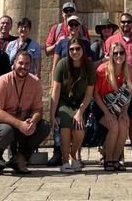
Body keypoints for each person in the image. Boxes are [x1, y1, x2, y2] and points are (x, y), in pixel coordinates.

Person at [0, 50, 50, 175]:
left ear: (30, 65)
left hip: (21, 124)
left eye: (27, 64)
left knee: (44, 127)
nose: (23, 67)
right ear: (14, 63)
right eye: (20, 63)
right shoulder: (3, 81)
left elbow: (38, 110)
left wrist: (33, 121)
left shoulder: (35, 82)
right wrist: (20, 124)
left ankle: (19, 158)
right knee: (6, 130)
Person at [105, 13, 132, 167]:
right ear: (119, 23)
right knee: (118, 122)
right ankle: (119, 156)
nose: (126, 25)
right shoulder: (111, 41)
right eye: (123, 22)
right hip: (115, 91)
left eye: (129, 22)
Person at [50, 36, 96, 173]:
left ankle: (73, 155)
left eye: (77, 49)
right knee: (65, 126)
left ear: (83, 50)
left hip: (81, 103)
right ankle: (65, 161)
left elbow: (89, 94)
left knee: (79, 129)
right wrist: (52, 115)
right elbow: (56, 91)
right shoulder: (62, 64)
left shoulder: (89, 66)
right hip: (64, 101)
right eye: (71, 49)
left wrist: (80, 113)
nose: (74, 52)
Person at [93, 42, 132, 171]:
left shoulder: (130, 70)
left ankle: (115, 160)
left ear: (125, 54)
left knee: (124, 125)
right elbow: (95, 94)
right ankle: (108, 160)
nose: (119, 55)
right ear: (110, 55)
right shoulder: (102, 70)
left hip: (120, 107)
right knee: (114, 126)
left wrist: (125, 112)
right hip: (102, 107)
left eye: (121, 53)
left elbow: (129, 92)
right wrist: (107, 114)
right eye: (115, 53)